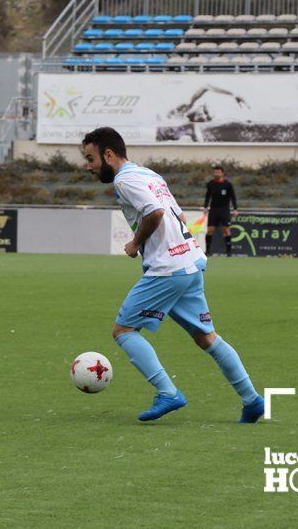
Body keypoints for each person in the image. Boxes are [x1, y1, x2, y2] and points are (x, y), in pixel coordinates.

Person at [82, 127, 263, 422]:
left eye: (91, 159)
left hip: (168, 269)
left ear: (109, 155)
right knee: (207, 338)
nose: (88, 166)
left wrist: (136, 243)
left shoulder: (124, 180)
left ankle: (167, 392)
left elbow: (155, 213)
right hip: (190, 263)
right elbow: (178, 215)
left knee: (123, 331)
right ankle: (252, 399)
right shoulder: (150, 175)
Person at [202, 165, 238, 256]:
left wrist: (235, 209)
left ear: (222, 173)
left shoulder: (228, 185)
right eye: (215, 172)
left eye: (218, 172)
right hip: (213, 210)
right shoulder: (210, 184)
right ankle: (208, 251)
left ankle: (229, 252)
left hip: (224, 210)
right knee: (210, 230)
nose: (216, 174)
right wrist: (205, 207)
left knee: (226, 230)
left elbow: (233, 197)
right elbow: (207, 196)